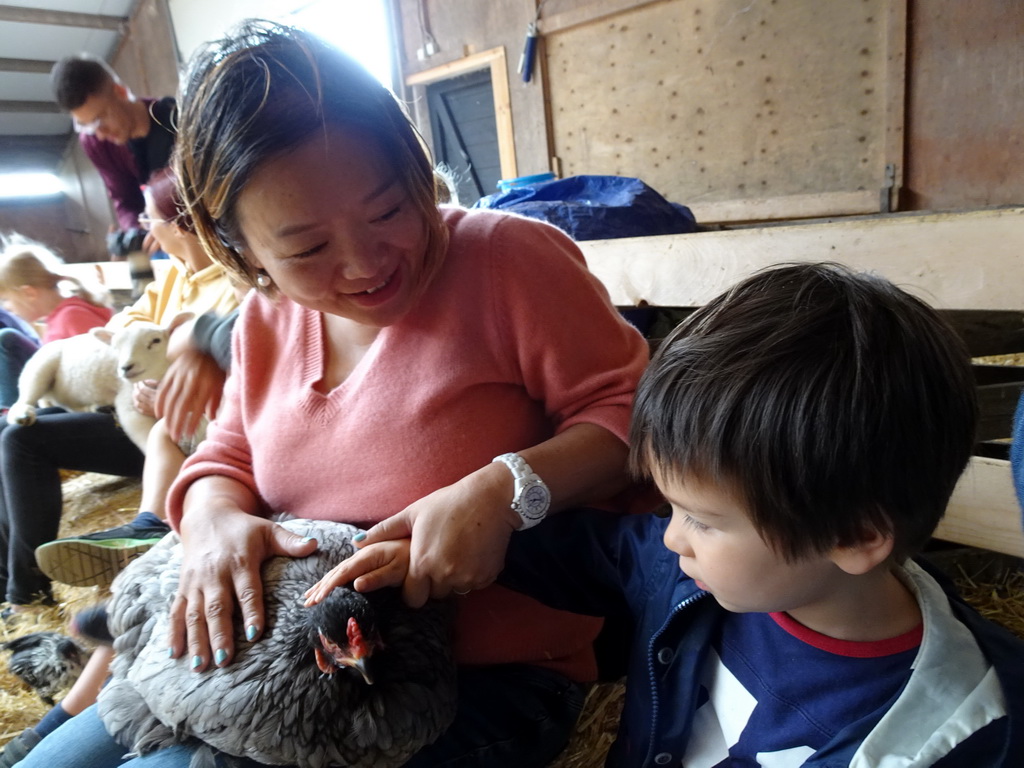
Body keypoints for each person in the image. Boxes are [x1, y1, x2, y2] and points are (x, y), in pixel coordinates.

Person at [18, 20, 649, 768]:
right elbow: (226, 451)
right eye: (307, 248)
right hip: (257, 656)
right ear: (241, 250)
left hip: (463, 679)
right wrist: (214, 520)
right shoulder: (264, 318)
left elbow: (638, 417)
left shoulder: (507, 262)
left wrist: (505, 490)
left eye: (388, 209)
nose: (364, 262)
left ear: (415, 169)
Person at [447, 262, 1024, 766]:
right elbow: (596, 553)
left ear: (853, 534)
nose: (671, 536)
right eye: (669, 506)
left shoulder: (953, 740)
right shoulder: (707, 573)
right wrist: (473, 535)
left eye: (700, 518)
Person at [0, 168, 238, 613]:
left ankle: (26, 593)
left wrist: (164, 384)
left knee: (22, 440)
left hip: (174, 423)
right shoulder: (173, 277)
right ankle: (7, 578)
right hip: (131, 410)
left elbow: (233, 370)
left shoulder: (230, 287)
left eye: (150, 222)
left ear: (180, 223)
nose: (147, 233)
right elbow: (117, 328)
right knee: (21, 428)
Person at [50, 53, 175, 258]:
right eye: (87, 126)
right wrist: (134, 231)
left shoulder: (173, 119)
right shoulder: (94, 141)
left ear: (121, 92)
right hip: (160, 238)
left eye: (101, 119)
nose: (100, 133)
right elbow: (124, 200)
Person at [0, 235, 114, 408]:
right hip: (58, 392)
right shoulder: (58, 317)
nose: (6, 308)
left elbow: (99, 365)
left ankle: (11, 411)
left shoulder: (72, 316)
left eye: (6, 299)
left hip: (79, 400)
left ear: (29, 293)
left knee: (7, 339)